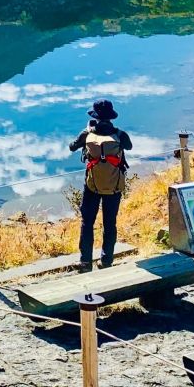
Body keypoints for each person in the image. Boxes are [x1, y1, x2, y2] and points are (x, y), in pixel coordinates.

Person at [68, 99, 132, 271]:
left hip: (92, 185)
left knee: (87, 222)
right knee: (110, 223)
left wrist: (87, 131)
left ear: (95, 116)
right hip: (114, 185)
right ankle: (106, 261)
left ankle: (85, 262)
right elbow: (129, 146)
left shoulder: (87, 134)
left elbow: (72, 147)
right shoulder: (120, 135)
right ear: (111, 117)